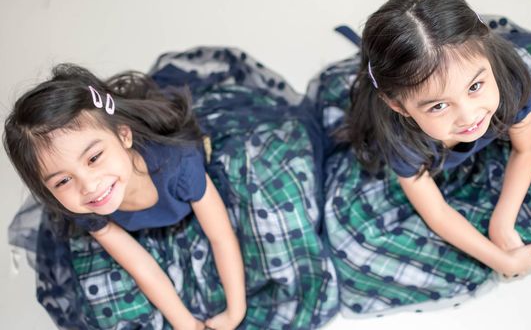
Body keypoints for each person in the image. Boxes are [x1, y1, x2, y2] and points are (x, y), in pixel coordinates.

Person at [6, 47, 339, 329]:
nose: (88, 185)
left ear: (124, 136)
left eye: (94, 158)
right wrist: (184, 322)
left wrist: (235, 310)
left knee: (273, 217)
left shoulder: (176, 165)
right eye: (62, 181)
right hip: (151, 216)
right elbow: (140, 265)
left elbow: (221, 237)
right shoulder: (83, 204)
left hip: (202, 182)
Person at [306, 0, 531, 316]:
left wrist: (501, 223)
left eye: (475, 86)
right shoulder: (398, 135)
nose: (469, 116)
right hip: (407, 138)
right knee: (359, 252)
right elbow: (437, 213)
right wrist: (500, 258)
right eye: (437, 107)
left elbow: (527, 149)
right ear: (400, 107)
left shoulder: (507, 78)